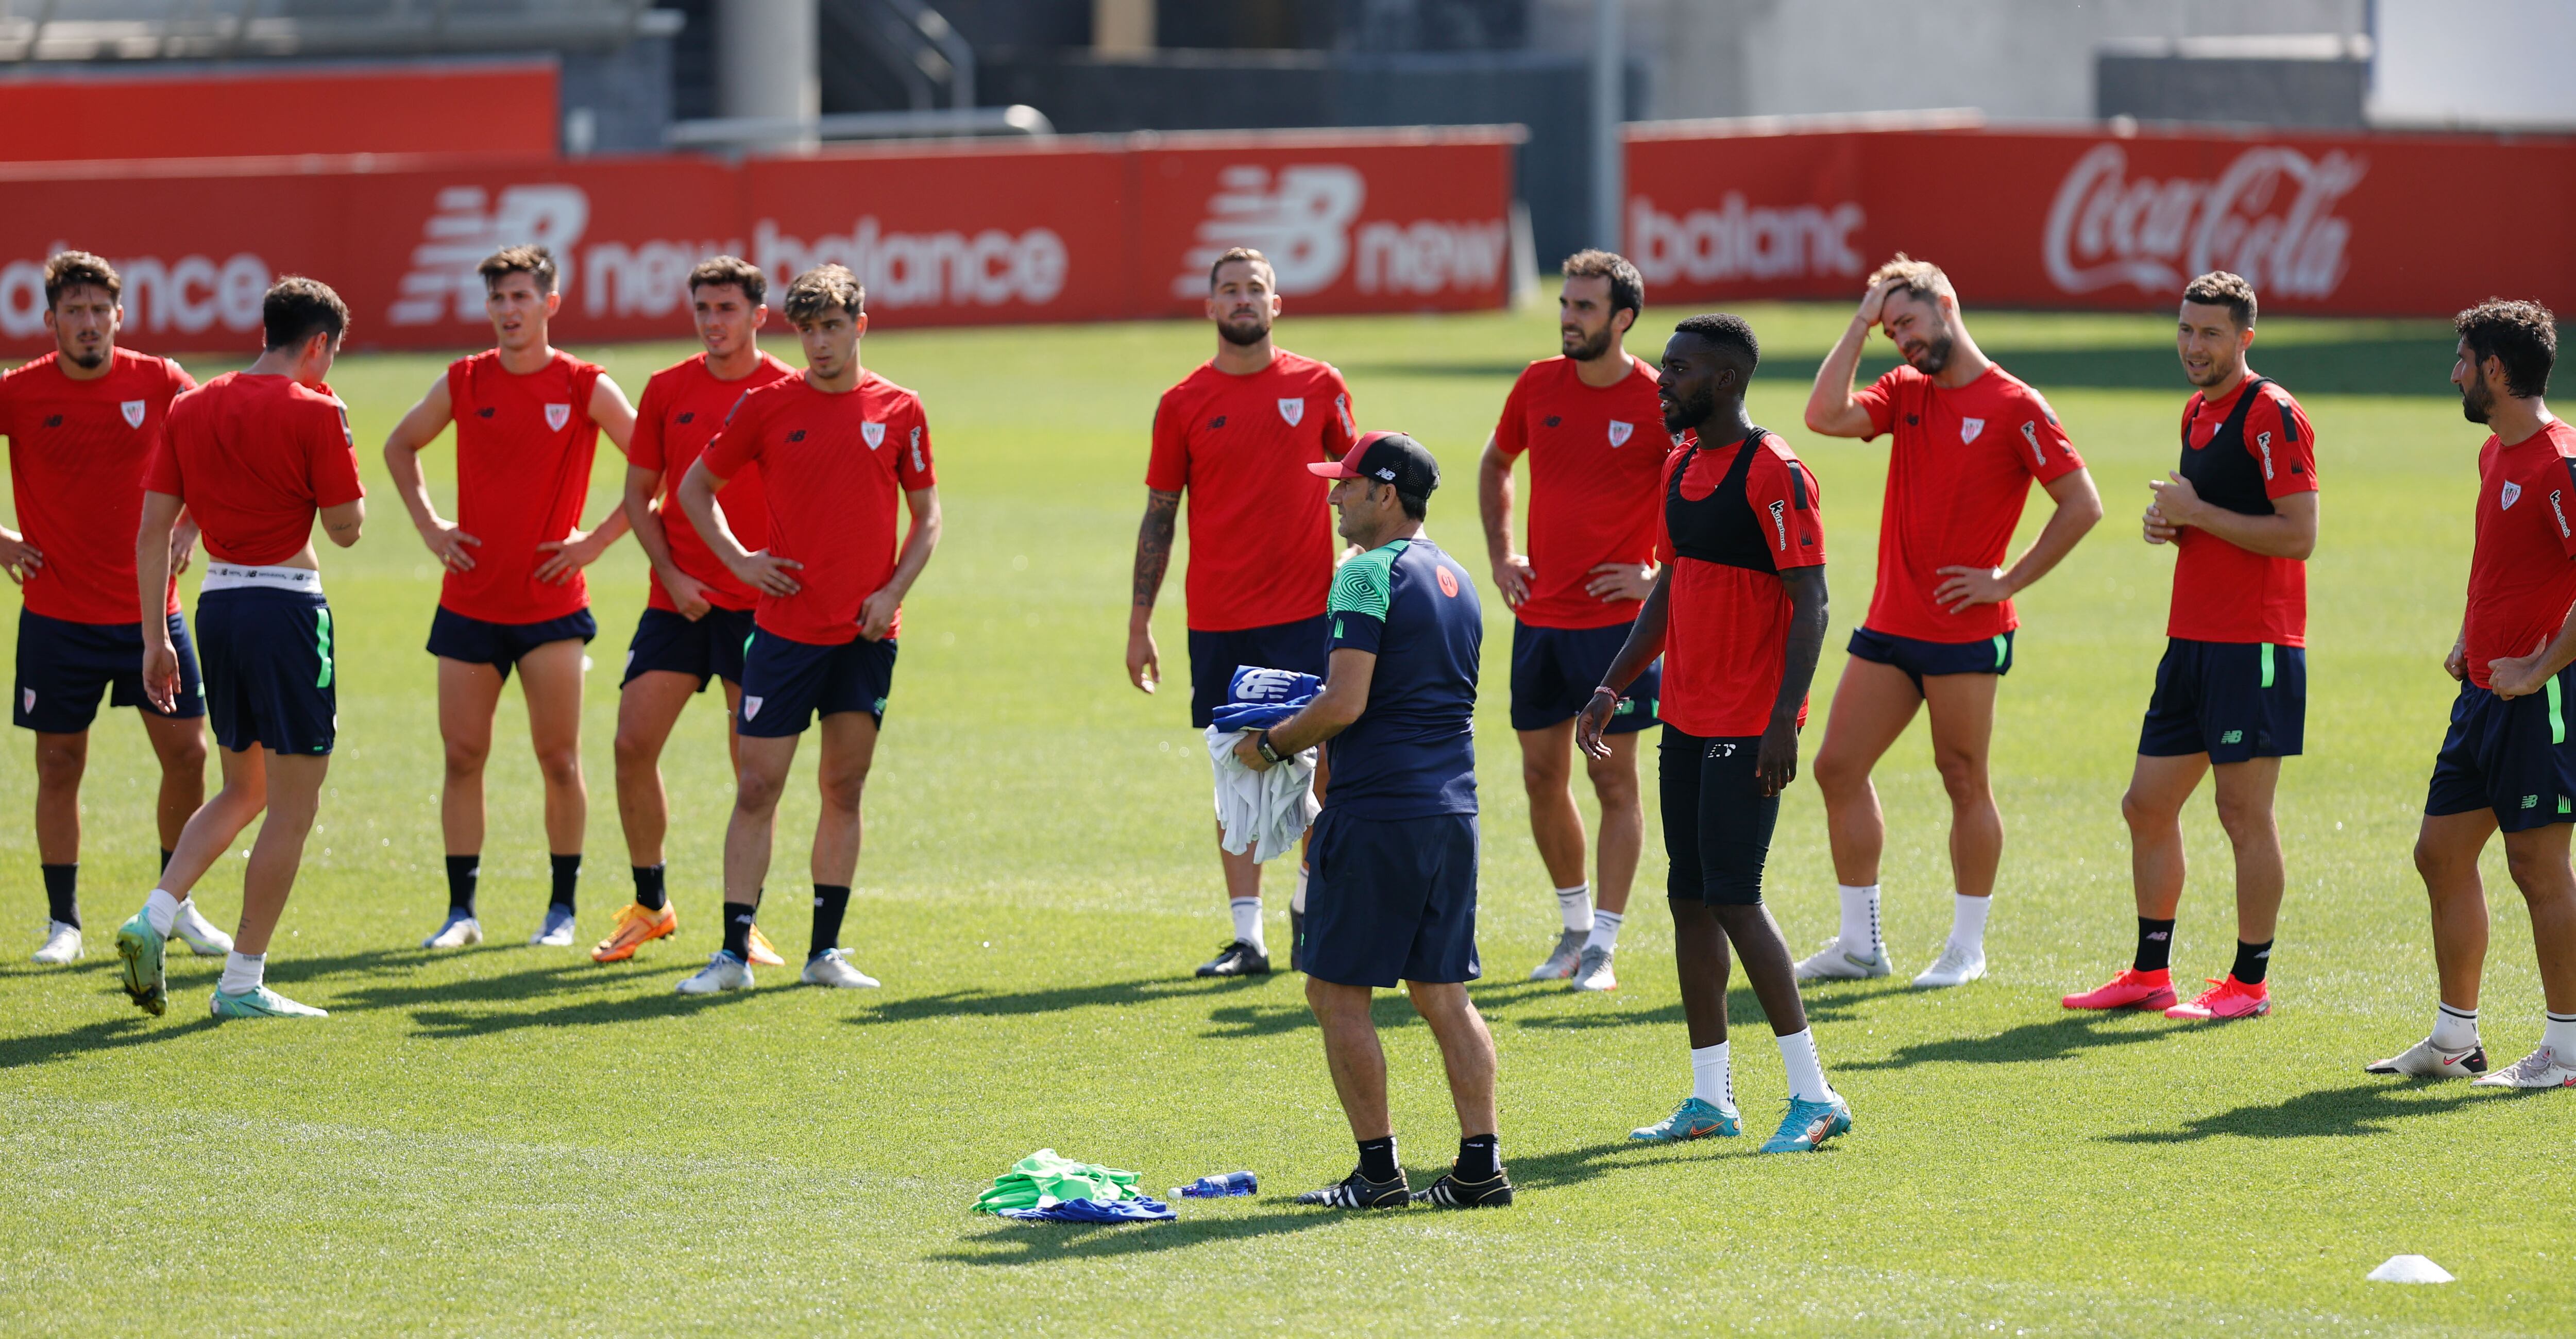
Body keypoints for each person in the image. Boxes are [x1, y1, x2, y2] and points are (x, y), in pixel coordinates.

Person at [1581, 314, 1851, 1155]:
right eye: (1665, 367)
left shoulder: (1776, 473)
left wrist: (1784, 720)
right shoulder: (1679, 466)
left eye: (1678, 369)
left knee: (1736, 896)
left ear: (1725, 383)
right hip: (1688, 715)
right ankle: (1711, 1100)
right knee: (1689, 898)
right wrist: (1612, 684)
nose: (1662, 381)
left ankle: (1815, 1095)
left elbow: (1812, 601)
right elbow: (1668, 590)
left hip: (1748, 723)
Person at [1801, 255, 2103, 988]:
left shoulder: (2016, 405)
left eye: (1907, 322)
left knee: (1963, 777)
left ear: (1947, 303)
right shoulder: (1907, 392)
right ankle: (1860, 944)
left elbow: (2082, 504)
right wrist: (1860, 320)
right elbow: (1824, 416)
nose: (1900, 341)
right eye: (1890, 329)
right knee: (1837, 766)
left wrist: (2007, 579)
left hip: (1967, 630)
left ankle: (1967, 946)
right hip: (1891, 624)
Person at [1236, 431, 1507, 1209]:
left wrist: (1270, 744)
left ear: (1385, 494)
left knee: (1335, 994)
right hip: (1452, 811)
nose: (1334, 498)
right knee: (1444, 996)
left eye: (1347, 486)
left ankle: (1379, 1175)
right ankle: (1479, 1170)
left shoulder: (1362, 575)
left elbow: (1347, 702)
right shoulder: (1458, 575)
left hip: (1381, 813)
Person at [669, 263, 940, 995]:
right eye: (808, 329)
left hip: (864, 635)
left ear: (861, 324)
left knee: (843, 787)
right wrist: (738, 560)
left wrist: (891, 592)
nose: (820, 343)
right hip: (786, 632)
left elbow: (929, 517)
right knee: (758, 786)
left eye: (832, 327)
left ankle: (826, 953)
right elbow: (694, 489)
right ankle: (732, 955)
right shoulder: (765, 406)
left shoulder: (901, 410)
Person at [2064, 273, 2318, 1022]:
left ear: (2246, 338)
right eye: (2184, 330)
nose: (2193, 346)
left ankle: (2250, 982)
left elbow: (2299, 534)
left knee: (2243, 814)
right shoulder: (2197, 411)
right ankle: (2151, 972)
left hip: (2255, 644)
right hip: (2192, 641)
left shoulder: (2271, 412)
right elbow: (2214, 516)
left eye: (2210, 334)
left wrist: (2198, 512)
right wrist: (2172, 524)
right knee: (2146, 805)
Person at [113, 276, 365, 1020]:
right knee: (293, 802)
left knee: (243, 787)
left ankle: (154, 917)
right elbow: (347, 529)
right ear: (318, 344)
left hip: (215, 606)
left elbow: (154, 528)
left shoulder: (190, 407)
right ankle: (241, 982)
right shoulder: (316, 410)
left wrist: (156, 636)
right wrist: (338, 436)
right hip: (286, 611)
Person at [383, 245, 636, 951]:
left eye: (522, 297)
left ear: (550, 304)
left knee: (559, 759)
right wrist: (432, 527)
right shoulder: (465, 380)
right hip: (469, 603)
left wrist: (597, 542)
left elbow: (658, 462)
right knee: (463, 756)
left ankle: (562, 910)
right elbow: (400, 447)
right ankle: (461, 911)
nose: (508, 311)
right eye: (498, 299)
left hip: (552, 606)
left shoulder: (584, 384)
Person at [1130, 245, 1357, 977]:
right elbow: (1160, 516)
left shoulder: (1320, 386)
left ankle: (1309, 908)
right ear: (1210, 307)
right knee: (1237, 773)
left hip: (1303, 614)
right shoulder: (1183, 402)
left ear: (1276, 303)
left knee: (1316, 767)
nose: (1242, 300)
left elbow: (1361, 487)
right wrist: (1140, 622)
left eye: (1254, 288)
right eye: (1229, 290)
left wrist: (1371, 583)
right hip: (1220, 619)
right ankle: (1248, 937)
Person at [2367, 299, 2576, 1090]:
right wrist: (2471, 637)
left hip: (2537, 697)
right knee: (2441, 852)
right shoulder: (2495, 457)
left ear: (2495, 370)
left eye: (2462, 361)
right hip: (2483, 695)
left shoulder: (2562, 462)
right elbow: (2499, 564)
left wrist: (2539, 668)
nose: (2454, 374)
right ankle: (2455, 1041)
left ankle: (2567, 1050)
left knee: (2538, 867)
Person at [0, 251, 227, 965]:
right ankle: (63, 922)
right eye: (75, 312)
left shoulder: (159, 380)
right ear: (50, 322)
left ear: (120, 318)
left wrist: (191, 524)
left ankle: (174, 906)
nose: (89, 324)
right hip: (57, 617)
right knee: (60, 765)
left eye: (100, 311)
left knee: (189, 756)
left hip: (150, 617)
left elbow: (216, 448)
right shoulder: (21, 391)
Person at [594, 255, 794, 968]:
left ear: (758, 317)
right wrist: (673, 576)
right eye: (704, 310)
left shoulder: (786, 391)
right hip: (676, 602)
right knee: (629, 745)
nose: (714, 322)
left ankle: (745, 923)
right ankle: (652, 906)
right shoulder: (666, 389)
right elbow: (640, 496)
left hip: (759, 608)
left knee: (754, 772)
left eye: (728, 310)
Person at [1479, 249, 1665, 993]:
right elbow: (1497, 463)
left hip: (1618, 627)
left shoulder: (1659, 395)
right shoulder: (1536, 383)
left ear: (1622, 318)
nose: (1568, 318)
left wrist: (1658, 573)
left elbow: (1702, 486)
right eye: (1564, 304)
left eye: (1584, 308)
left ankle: (1606, 948)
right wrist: (1502, 556)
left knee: (1613, 782)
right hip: (1540, 619)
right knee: (1540, 774)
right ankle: (1574, 927)